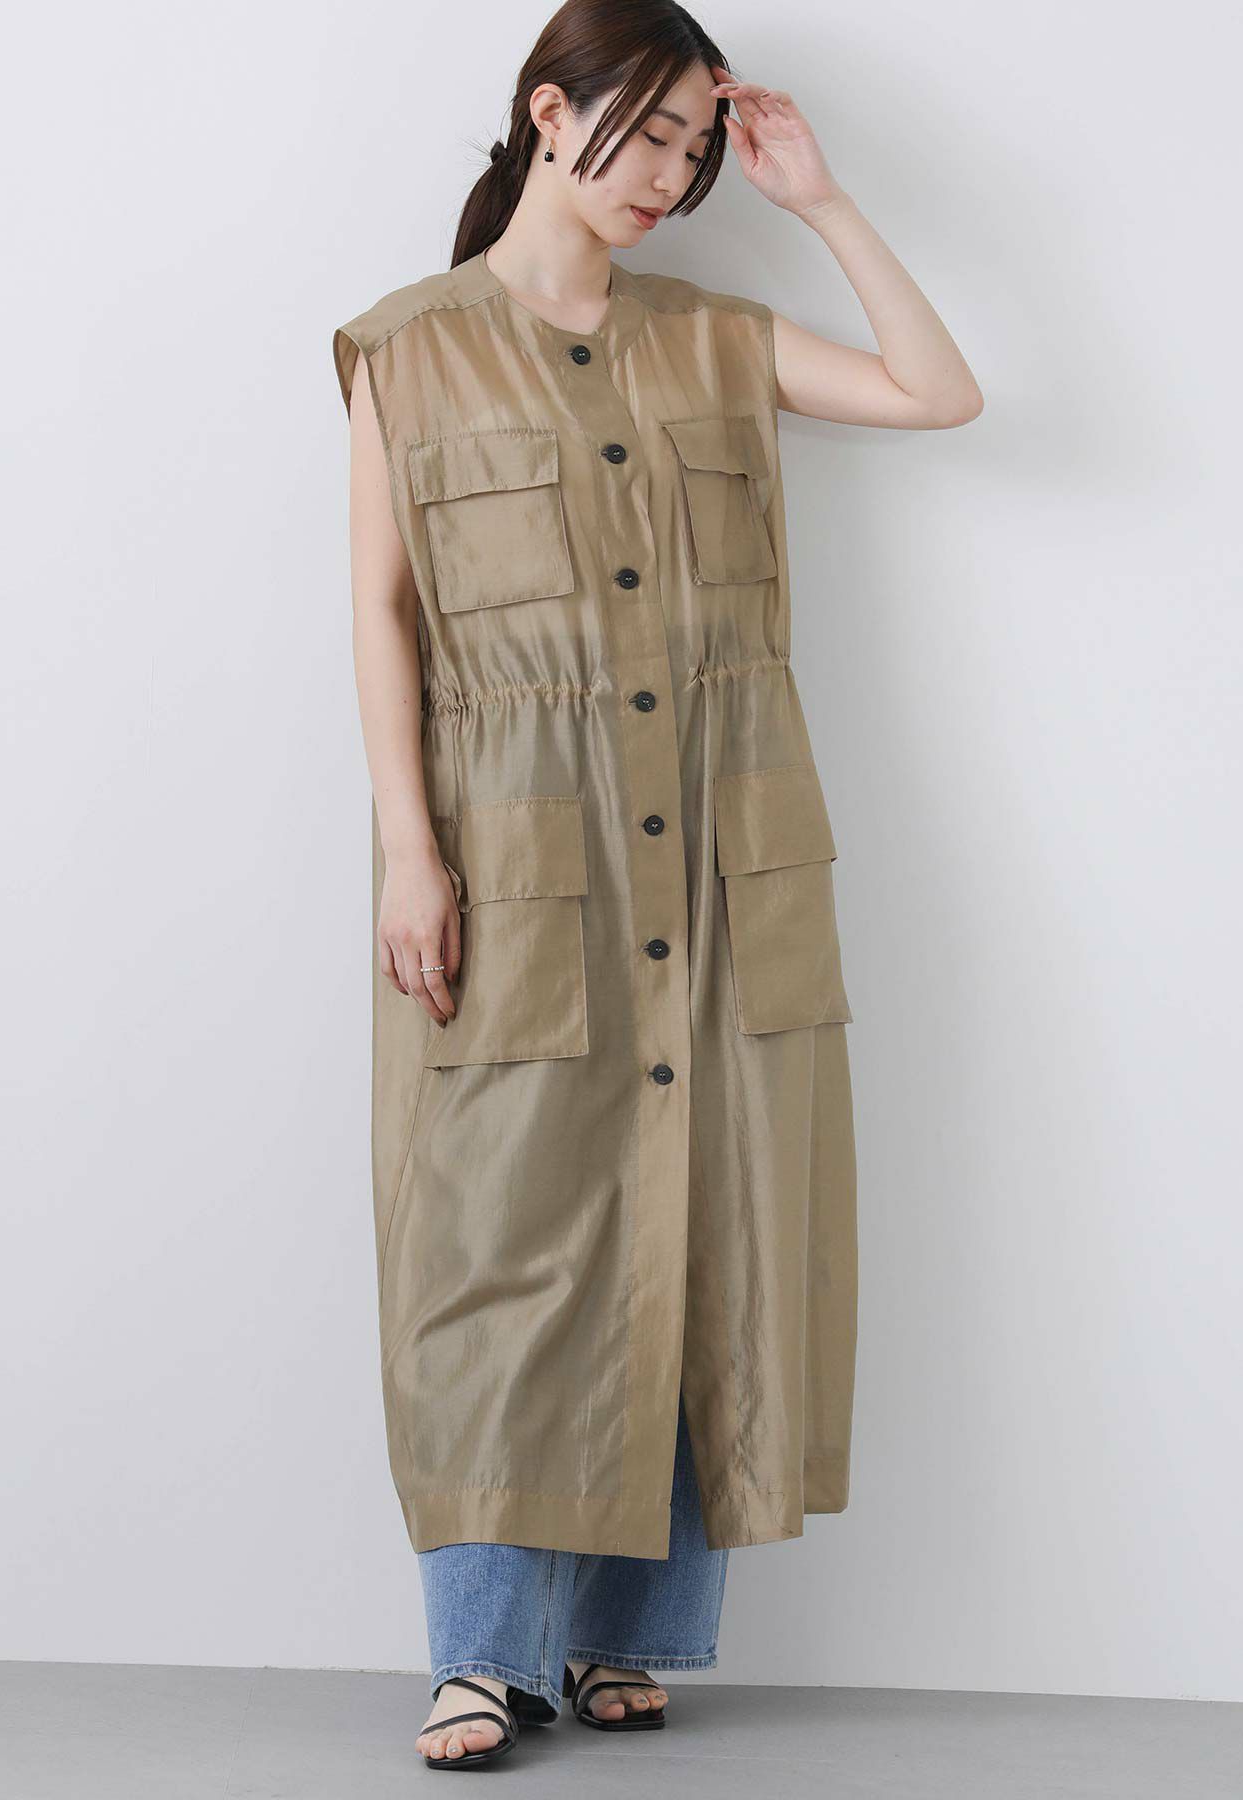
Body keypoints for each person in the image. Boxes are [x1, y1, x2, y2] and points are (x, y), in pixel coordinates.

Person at [331, 0, 981, 1771]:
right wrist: (409, 846)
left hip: (720, 836)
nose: (676, 171)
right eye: (654, 131)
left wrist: (820, 201)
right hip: (515, 847)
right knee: (494, 1244)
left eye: (699, 148)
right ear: (551, 112)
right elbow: (381, 611)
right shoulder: (408, 349)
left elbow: (938, 393)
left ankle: (625, 1643)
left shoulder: (712, 337)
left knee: (706, 1218)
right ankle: (482, 1657)